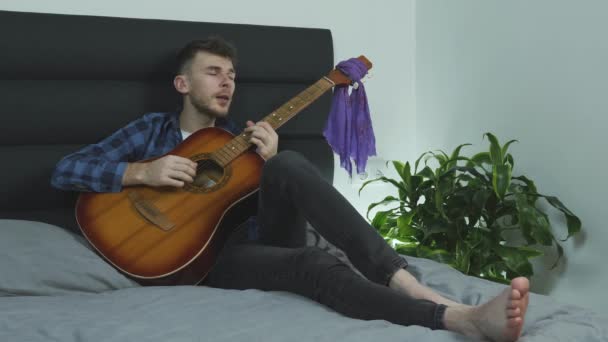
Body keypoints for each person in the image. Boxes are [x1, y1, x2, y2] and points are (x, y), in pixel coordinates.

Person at [51, 36, 529, 341]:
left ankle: (409, 284)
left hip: (251, 241)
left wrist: (271, 160)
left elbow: (267, 215)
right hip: (208, 262)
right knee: (313, 263)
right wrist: (142, 173)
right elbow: (67, 169)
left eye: (232, 75)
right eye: (214, 72)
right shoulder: (150, 134)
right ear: (182, 82)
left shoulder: (241, 140)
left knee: (290, 161)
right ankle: (456, 320)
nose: (227, 83)